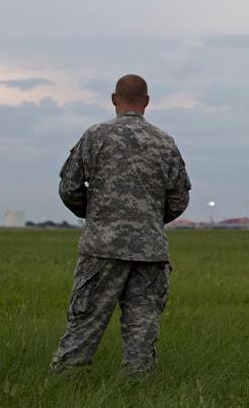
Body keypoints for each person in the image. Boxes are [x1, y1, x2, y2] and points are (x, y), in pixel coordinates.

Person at [50, 74, 191, 378]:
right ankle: (137, 386)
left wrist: (97, 215)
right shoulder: (165, 142)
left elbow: (69, 189)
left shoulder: (95, 136)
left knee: (85, 322)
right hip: (150, 251)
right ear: (147, 102)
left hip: (103, 246)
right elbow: (179, 198)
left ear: (114, 99)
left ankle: (65, 382)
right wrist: (149, 220)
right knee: (143, 329)